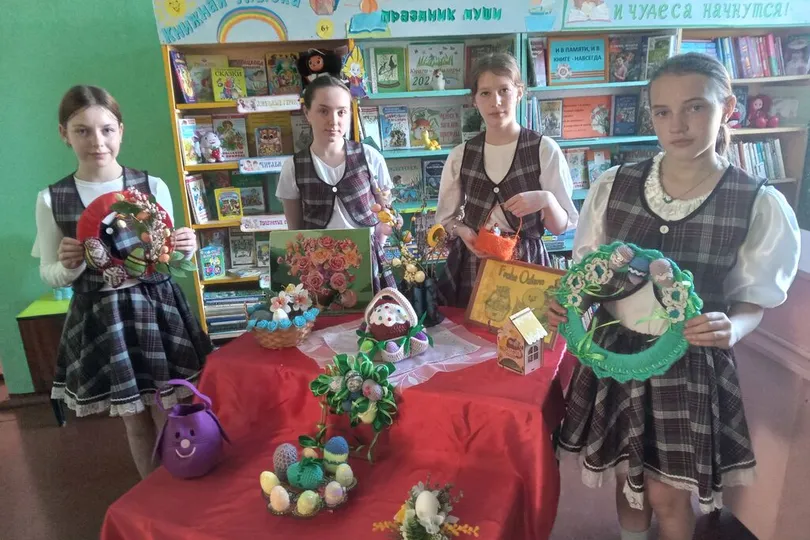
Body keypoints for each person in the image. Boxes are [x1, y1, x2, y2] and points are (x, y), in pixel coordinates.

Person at [549, 53, 800, 540]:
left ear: (727, 108)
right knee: (627, 481)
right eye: (663, 112)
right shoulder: (615, 185)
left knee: (667, 492)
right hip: (615, 351)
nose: (678, 125)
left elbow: (752, 299)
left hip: (687, 363)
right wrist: (572, 303)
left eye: (695, 107)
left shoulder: (754, 200)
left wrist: (735, 327)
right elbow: (590, 275)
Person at [32, 85, 212, 479]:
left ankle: (181, 484)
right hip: (103, 315)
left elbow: (169, 257)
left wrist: (186, 247)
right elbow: (49, 271)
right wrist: (69, 266)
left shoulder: (152, 185)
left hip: (156, 308)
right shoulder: (52, 198)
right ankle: (153, 493)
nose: (97, 142)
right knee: (134, 419)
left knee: (169, 407)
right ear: (64, 134)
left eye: (107, 129)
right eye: (82, 131)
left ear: (121, 131)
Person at [435, 52, 578, 307]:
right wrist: (463, 231)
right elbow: (446, 219)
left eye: (504, 90)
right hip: (475, 265)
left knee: (526, 330)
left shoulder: (544, 150)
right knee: (472, 329)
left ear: (519, 92)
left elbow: (560, 227)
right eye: (485, 93)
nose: (496, 101)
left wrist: (546, 199)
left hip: (527, 268)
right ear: (474, 100)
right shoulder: (461, 155)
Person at [276, 75, 396, 292]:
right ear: (307, 113)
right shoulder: (293, 167)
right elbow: (295, 231)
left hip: (367, 263)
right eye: (323, 111)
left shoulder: (370, 157)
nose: (333, 121)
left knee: (373, 313)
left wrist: (377, 245)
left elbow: (386, 215)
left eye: (341, 112)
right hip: (317, 269)